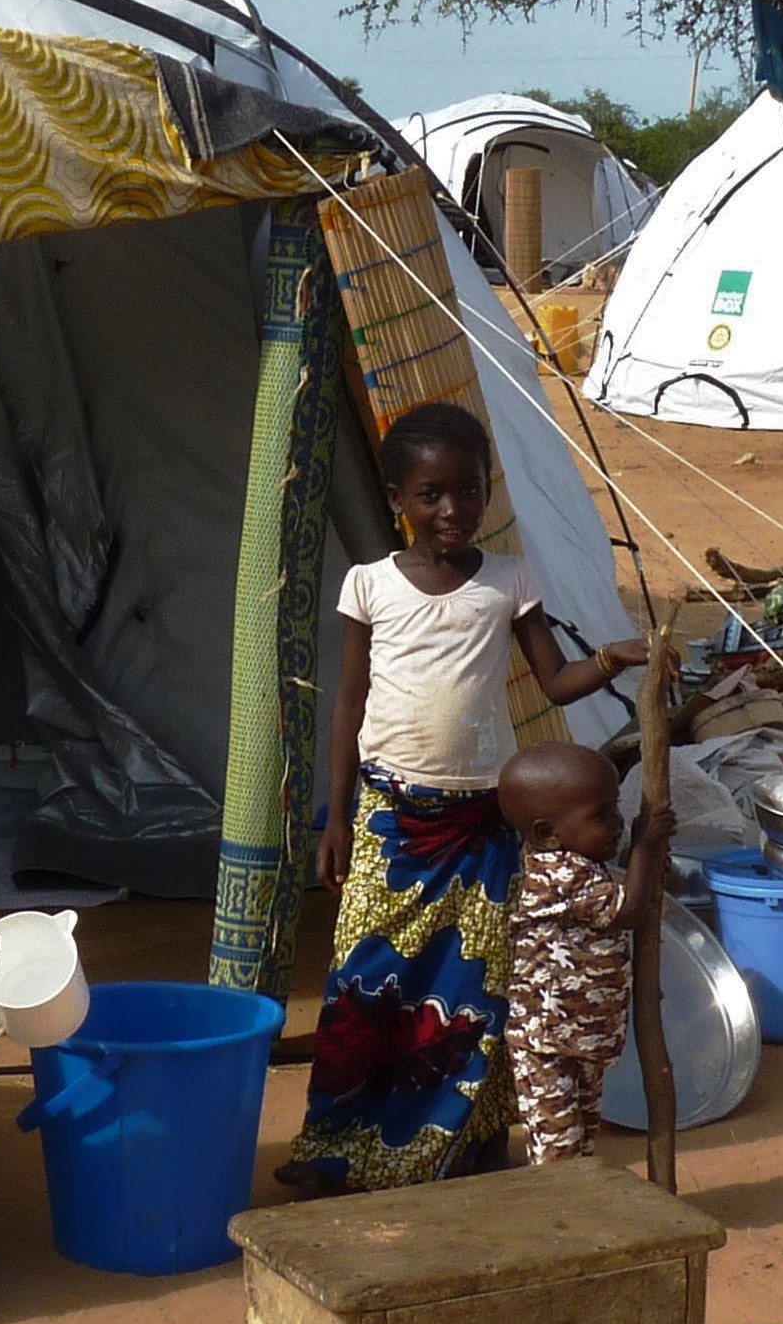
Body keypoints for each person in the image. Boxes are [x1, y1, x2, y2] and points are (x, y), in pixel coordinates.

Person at [281, 401, 650, 1191]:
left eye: (469, 491)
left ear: (488, 491)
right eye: (431, 495)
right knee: (363, 975)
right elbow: (350, 702)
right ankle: (341, 1146)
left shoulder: (509, 580)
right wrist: (338, 814)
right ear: (396, 500)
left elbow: (554, 679)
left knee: (477, 982)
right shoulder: (368, 585)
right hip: (390, 815)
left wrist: (615, 660)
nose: (453, 511)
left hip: (482, 821)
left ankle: (464, 1140)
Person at [495, 742, 671, 1165]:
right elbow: (628, 911)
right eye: (601, 815)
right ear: (545, 833)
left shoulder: (577, 861)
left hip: (581, 1037)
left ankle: (576, 1216)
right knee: (558, 1152)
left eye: (614, 809)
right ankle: (560, 1222)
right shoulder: (560, 873)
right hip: (549, 1045)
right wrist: (646, 845)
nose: (617, 824)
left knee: (581, 1143)